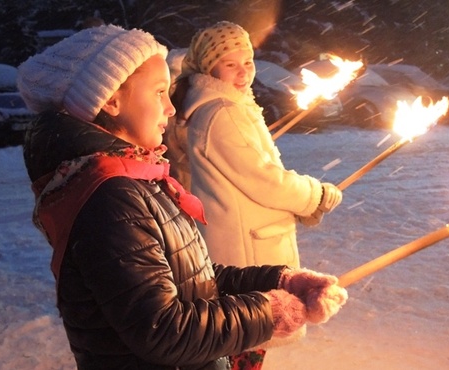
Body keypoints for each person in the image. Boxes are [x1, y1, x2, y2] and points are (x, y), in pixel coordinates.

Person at [17, 24, 347, 370]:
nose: (171, 108)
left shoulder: (134, 177)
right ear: (111, 100)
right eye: (159, 92)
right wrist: (268, 311)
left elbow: (189, 279)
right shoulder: (110, 197)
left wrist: (278, 280)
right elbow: (164, 330)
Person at [163, 21, 345, 369]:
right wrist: (315, 194)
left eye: (247, 61)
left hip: (239, 237)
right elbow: (263, 179)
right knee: (245, 339)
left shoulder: (221, 106)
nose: (243, 71)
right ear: (208, 67)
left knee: (238, 340)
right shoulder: (222, 112)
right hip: (245, 246)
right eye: (230, 63)